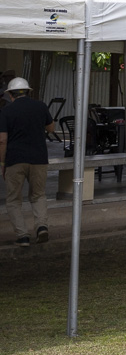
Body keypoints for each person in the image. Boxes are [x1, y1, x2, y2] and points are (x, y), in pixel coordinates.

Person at [0, 77, 54, 246]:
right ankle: (41, 227)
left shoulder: (6, 111)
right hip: (39, 158)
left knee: (14, 200)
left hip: (15, 160)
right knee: (38, 195)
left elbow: (2, 140)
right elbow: (51, 128)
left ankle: (23, 236)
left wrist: (2, 164)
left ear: (10, 95)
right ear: (29, 92)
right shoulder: (41, 106)